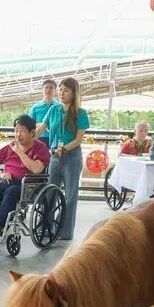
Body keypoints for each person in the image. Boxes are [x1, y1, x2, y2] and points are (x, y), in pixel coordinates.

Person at [0, 114, 50, 254]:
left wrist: (21, 154)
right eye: (16, 130)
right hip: (5, 180)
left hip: (27, 185)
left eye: (22, 131)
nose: (18, 134)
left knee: (12, 191)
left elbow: (37, 169)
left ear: (32, 132)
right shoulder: (10, 147)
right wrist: (1, 173)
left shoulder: (40, 148)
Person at [38, 77, 89, 240]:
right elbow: (41, 129)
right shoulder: (53, 110)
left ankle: (65, 232)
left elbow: (79, 139)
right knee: (50, 192)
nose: (61, 92)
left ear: (74, 93)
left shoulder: (80, 113)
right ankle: (45, 227)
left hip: (72, 157)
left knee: (70, 195)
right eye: (60, 89)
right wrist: (26, 137)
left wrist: (64, 148)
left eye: (65, 90)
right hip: (54, 157)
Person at [29, 79, 59, 146]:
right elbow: (29, 125)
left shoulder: (59, 106)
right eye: (46, 88)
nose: (48, 90)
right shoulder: (35, 107)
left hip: (56, 138)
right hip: (39, 137)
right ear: (42, 90)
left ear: (55, 91)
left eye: (51, 88)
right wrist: (43, 125)